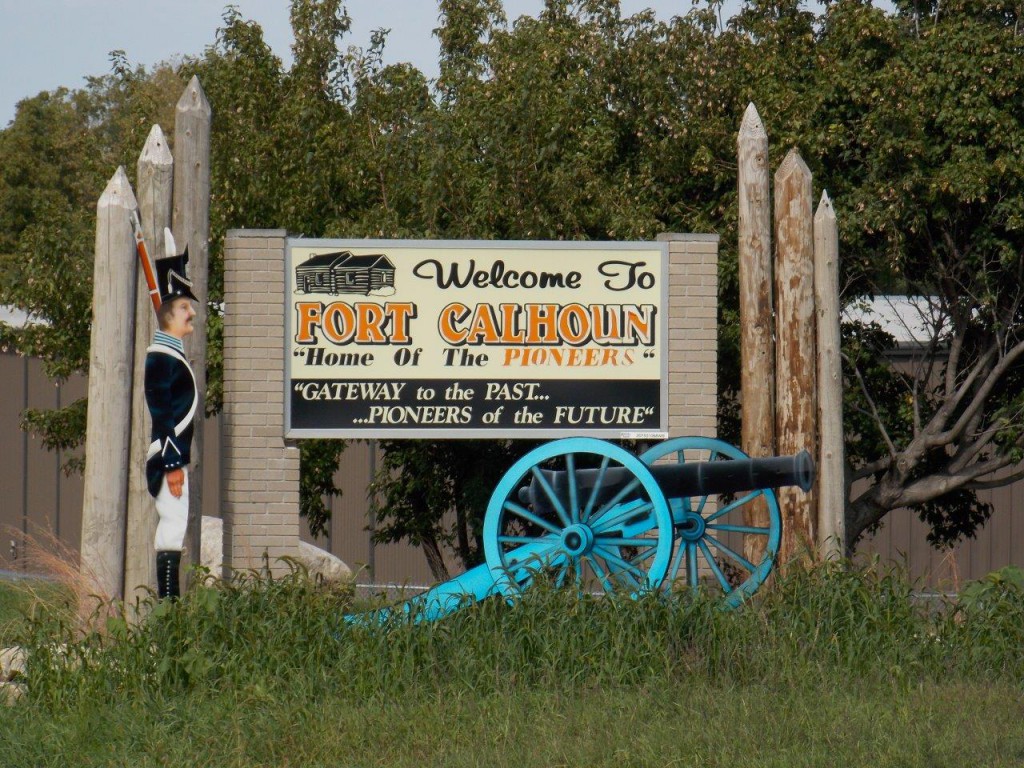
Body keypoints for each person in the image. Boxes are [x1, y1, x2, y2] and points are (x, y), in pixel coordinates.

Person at [144, 235, 199, 600]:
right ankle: (169, 609)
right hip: (168, 455)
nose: (191, 313)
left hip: (172, 453)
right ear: (168, 316)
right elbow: (162, 411)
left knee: (176, 528)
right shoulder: (161, 357)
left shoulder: (169, 355)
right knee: (173, 527)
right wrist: (174, 462)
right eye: (183, 309)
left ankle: (171, 607)